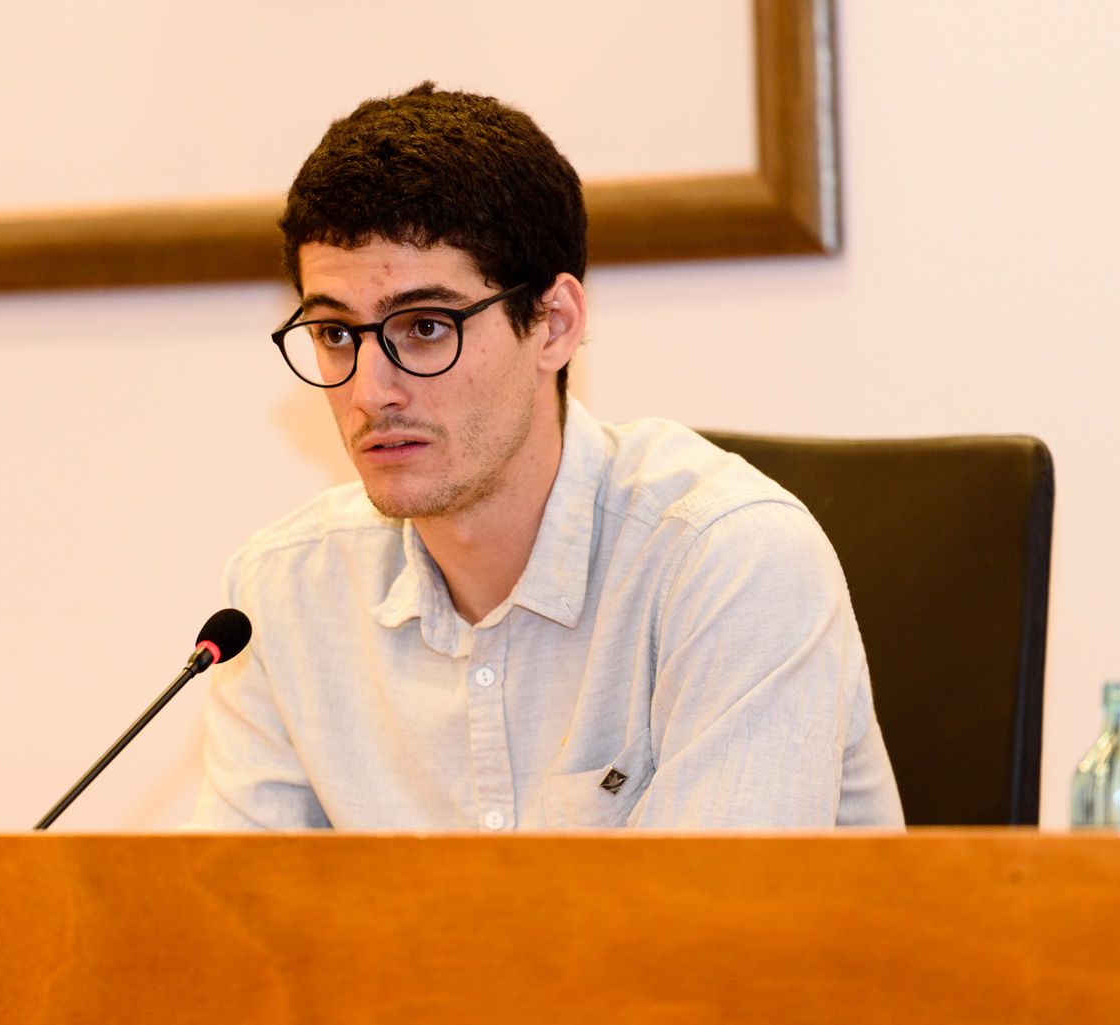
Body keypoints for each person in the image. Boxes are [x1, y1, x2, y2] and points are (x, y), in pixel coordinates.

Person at [189, 83, 902, 830]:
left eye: (425, 326)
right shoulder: (281, 592)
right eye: (335, 334)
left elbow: (712, 936)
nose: (370, 391)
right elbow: (236, 927)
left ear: (554, 324)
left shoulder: (730, 561)